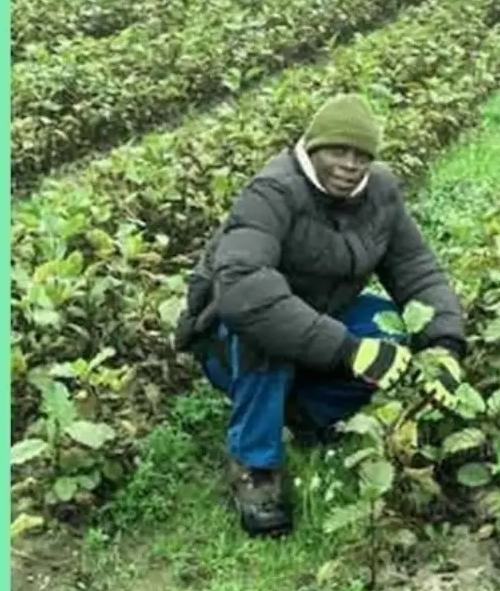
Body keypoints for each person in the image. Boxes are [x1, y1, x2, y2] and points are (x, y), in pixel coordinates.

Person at [173, 93, 467, 538]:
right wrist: (347, 349)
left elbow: (417, 272)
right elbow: (243, 289)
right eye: (338, 151)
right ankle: (256, 467)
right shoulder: (272, 191)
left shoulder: (380, 193)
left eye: (362, 155)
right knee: (267, 330)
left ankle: (303, 414)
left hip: (319, 316)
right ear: (312, 149)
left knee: (393, 327)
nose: (350, 164)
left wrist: (444, 346)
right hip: (231, 338)